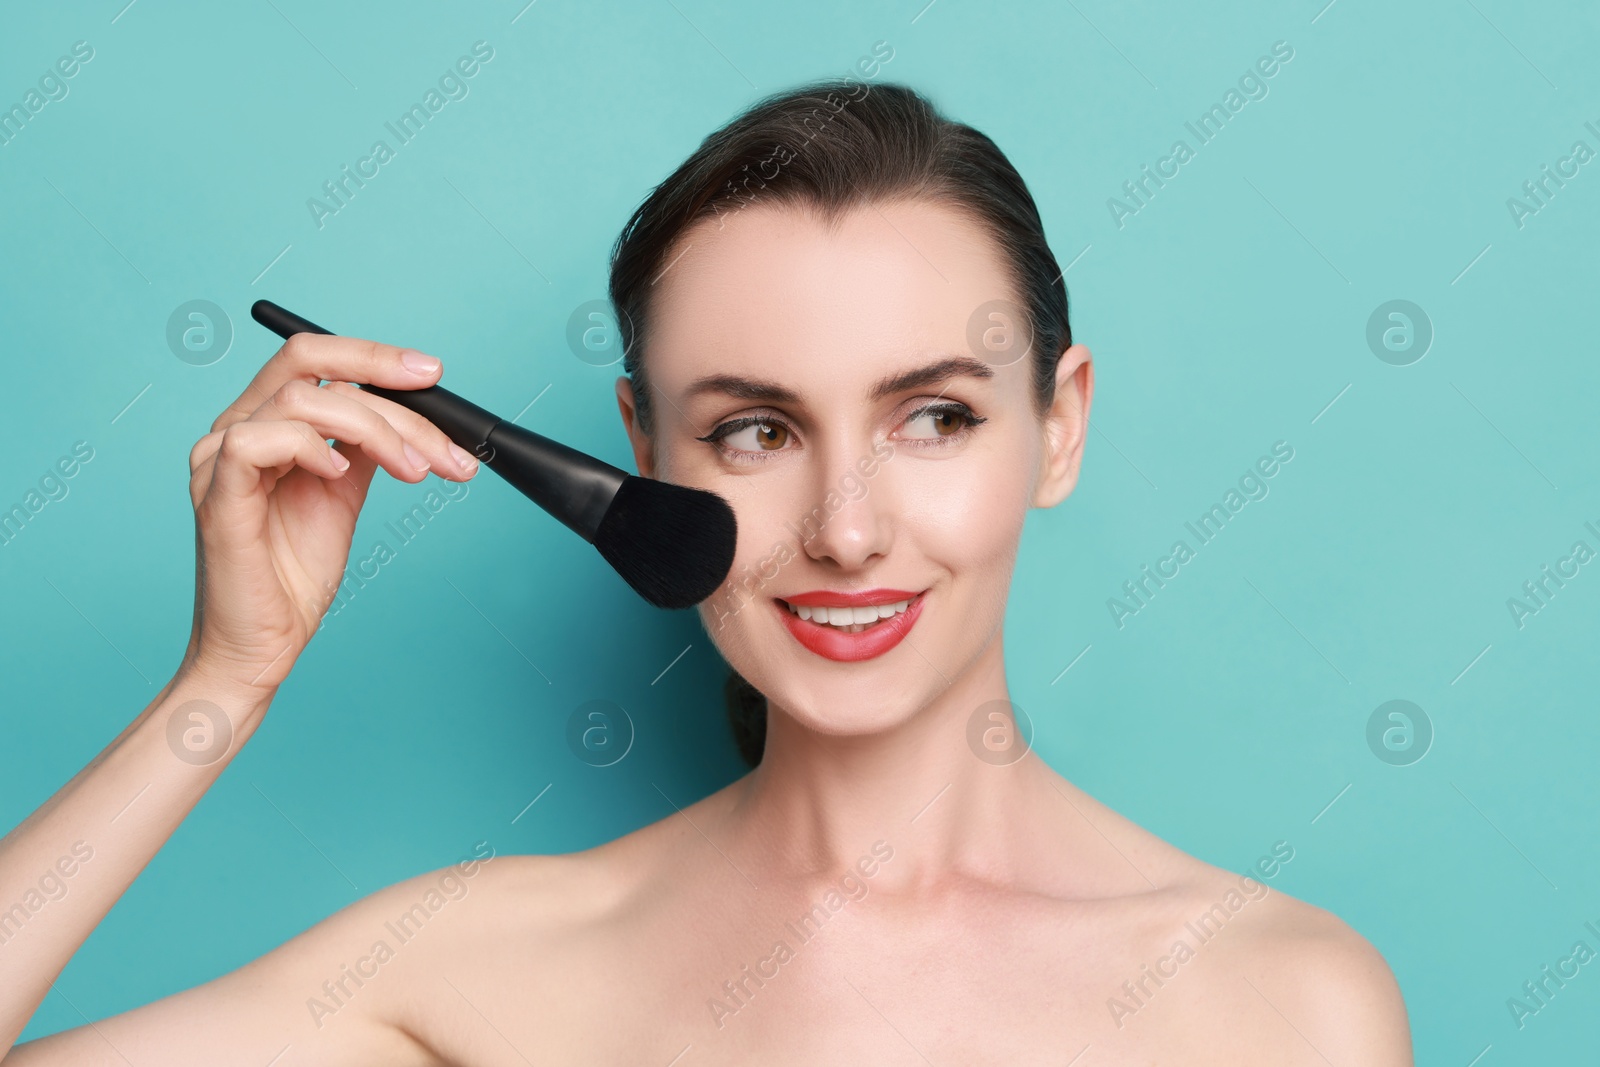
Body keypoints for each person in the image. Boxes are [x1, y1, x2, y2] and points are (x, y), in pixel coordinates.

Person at [0, 79, 1413, 1064]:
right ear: (642, 453)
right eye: (755, 430)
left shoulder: (1278, 1000)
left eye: (934, 416)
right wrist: (225, 682)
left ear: (1060, 425)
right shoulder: (474, 964)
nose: (846, 531)